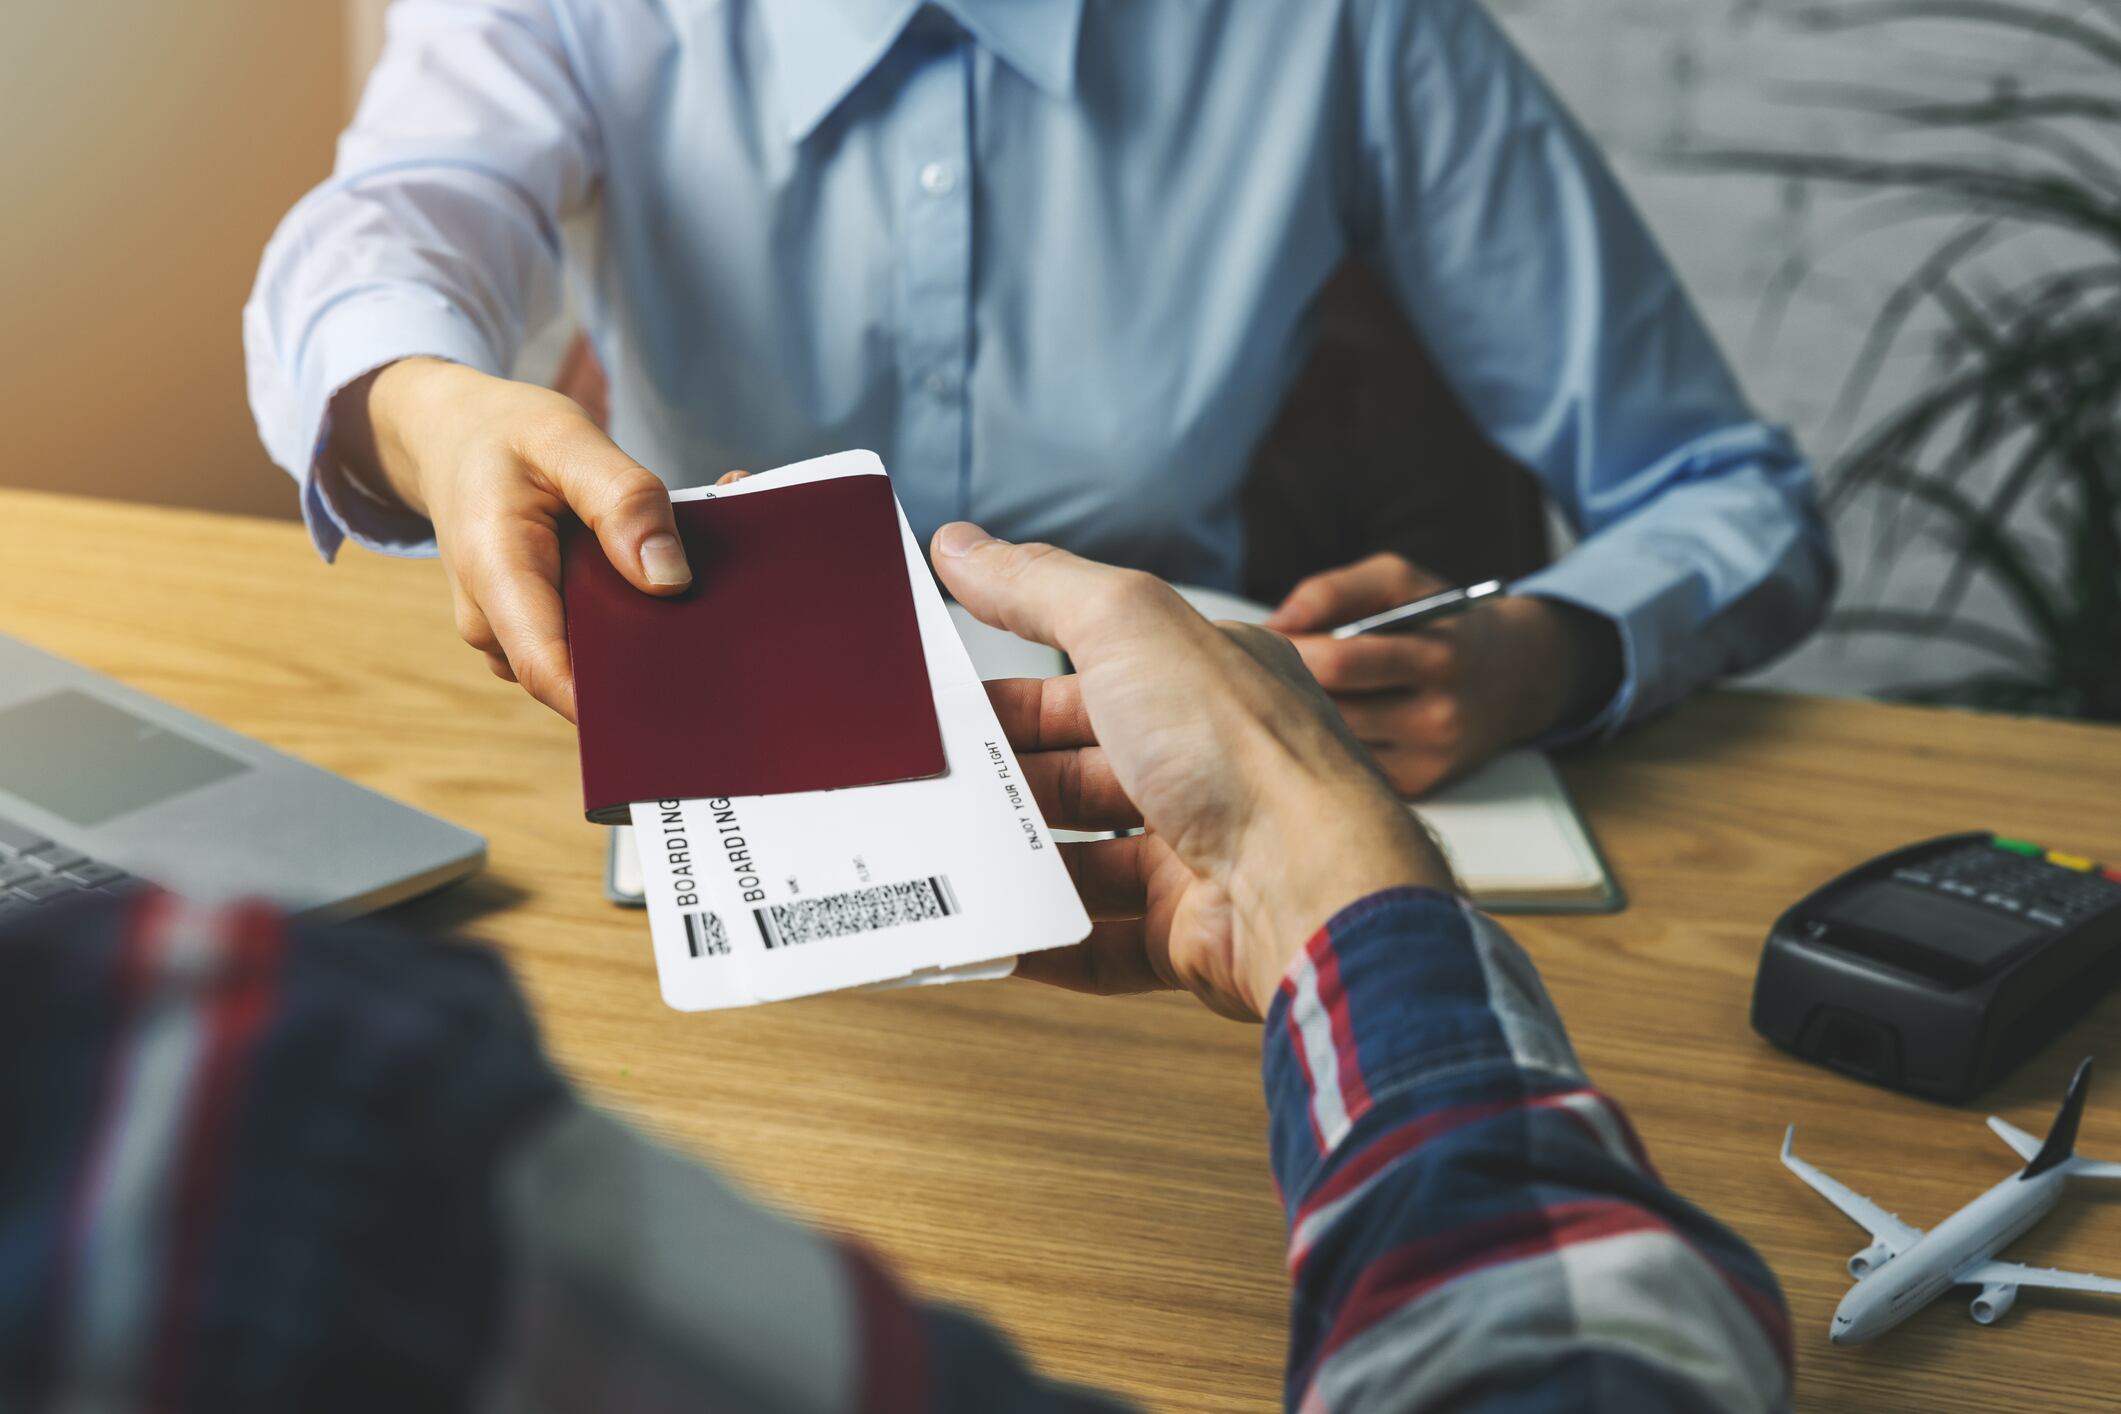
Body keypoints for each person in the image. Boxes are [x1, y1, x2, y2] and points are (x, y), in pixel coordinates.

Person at [1, 527, 1790, 1412]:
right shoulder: (245, 1130)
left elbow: (1732, 495)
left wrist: (1549, 642)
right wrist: (1334, 877)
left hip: (1135, 845)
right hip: (1190, 893)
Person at [244, 0, 1835, 795]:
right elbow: (386, 227)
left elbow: (1730, 493)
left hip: (1203, 826)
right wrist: (427, 404)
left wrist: (1548, 652)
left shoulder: (1343, 26)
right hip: (727, 783)